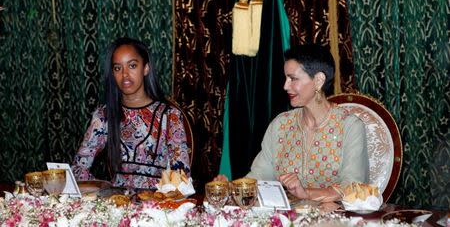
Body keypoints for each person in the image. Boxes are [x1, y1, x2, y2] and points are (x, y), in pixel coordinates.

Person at [217, 44, 369, 203]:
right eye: (286, 78)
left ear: (318, 80)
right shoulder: (280, 125)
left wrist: (307, 193)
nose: (285, 86)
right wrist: (231, 190)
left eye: (293, 79)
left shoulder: (349, 126)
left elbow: (353, 186)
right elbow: (259, 177)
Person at [72, 37, 191, 189]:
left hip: (158, 206)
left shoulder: (169, 116)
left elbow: (181, 176)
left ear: (146, 68)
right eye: (117, 68)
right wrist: (104, 191)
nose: (125, 74)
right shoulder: (104, 115)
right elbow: (78, 168)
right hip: (116, 205)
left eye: (132, 65)